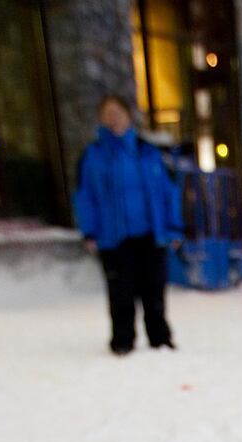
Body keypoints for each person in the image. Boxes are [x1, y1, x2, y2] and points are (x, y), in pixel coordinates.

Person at [74, 95, 182, 355]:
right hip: (114, 236)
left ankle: (159, 338)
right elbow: (84, 196)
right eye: (107, 113)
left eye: (117, 112)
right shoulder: (94, 156)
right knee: (121, 291)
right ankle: (122, 339)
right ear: (101, 119)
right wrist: (89, 231)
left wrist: (174, 227)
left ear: (128, 115)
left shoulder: (149, 152)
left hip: (150, 233)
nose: (113, 118)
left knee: (154, 288)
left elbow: (169, 193)